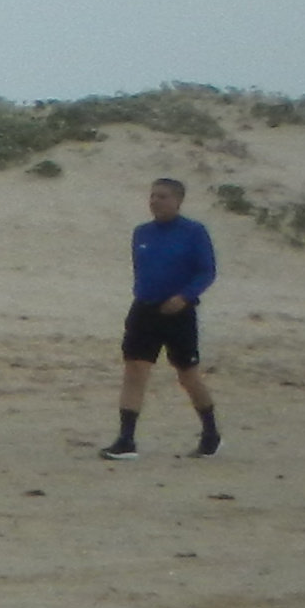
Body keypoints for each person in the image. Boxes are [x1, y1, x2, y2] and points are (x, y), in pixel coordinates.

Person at [105, 175, 220, 459]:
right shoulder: (141, 232)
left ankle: (211, 434)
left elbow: (206, 271)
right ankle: (126, 440)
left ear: (178, 201)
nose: (155, 201)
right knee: (134, 370)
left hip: (180, 313)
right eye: (153, 196)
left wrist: (184, 296)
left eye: (163, 196)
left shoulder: (194, 232)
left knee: (187, 374)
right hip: (144, 310)